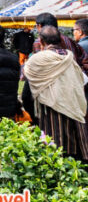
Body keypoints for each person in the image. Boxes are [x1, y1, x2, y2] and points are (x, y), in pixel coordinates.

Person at [22, 25, 88, 160]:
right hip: (75, 115)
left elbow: (26, 96)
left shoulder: (36, 61)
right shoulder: (71, 60)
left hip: (49, 117)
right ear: (61, 40)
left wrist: (34, 117)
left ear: (41, 41)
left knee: (54, 158)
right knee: (76, 162)